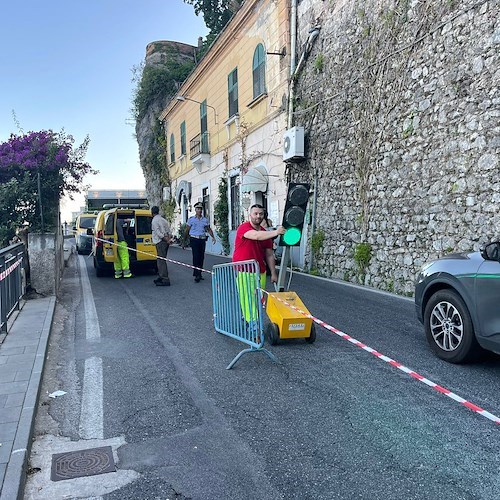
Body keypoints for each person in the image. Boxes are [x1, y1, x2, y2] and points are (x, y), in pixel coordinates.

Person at [232, 204, 285, 323]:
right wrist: (276, 232)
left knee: (258, 298)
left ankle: (249, 319)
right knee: (247, 298)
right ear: (250, 215)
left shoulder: (264, 232)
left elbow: (269, 254)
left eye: (261, 214)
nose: (258, 216)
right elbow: (255, 236)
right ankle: (252, 324)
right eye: (255, 213)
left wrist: (273, 273)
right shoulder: (244, 227)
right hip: (244, 270)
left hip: (259, 270)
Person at [184, 202, 216, 283]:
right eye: (198, 209)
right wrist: (184, 240)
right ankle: (196, 274)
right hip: (194, 239)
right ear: (195, 210)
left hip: (202, 239)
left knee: (201, 257)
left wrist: (213, 237)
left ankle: (200, 273)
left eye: (201, 209)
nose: (199, 210)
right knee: (196, 256)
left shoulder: (205, 220)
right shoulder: (191, 219)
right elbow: (187, 230)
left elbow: (208, 229)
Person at [151, 206, 172, 286]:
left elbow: (158, 233)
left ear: (152, 212)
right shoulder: (163, 220)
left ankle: (164, 278)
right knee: (161, 259)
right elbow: (169, 231)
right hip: (165, 242)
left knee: (161, 261)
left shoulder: (154, 221)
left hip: (160, 242)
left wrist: (165, 239)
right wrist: (168, 239)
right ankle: (161, 276)